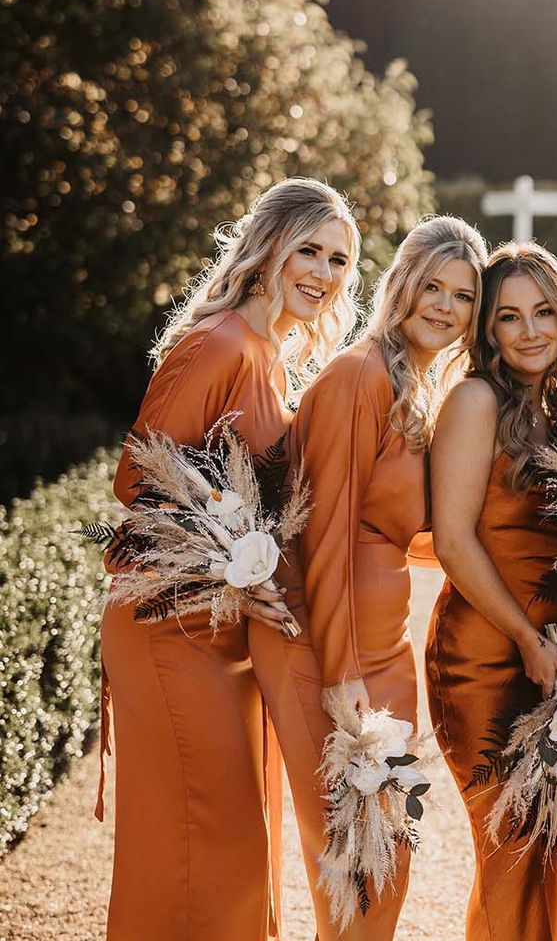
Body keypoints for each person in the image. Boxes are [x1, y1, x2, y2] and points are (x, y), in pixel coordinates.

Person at [100, 177, 361, 941]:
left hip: (226, 633)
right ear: (267, 247)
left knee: (232, 840)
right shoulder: (217, 344)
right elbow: (139, 478)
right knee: (204, 841)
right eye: (309, 249)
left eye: (340, 260)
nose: (323, 271)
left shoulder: (269, 356)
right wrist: (229, 568)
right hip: (168, 629)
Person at [251, 214, 487, 939]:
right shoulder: (358, 375)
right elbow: (325, 531)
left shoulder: (411, 384)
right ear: (401, 284)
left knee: (384, 860)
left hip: (386, 654)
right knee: (355, 870)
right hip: (328, 655)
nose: (445, 306)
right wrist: (341, 670)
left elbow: (388, 529)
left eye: (464, 296)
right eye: (433, 286)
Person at [426, 241, 557, 941]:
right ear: (487, 331)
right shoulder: (474, 401)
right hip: (487, 657)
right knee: (512, 846)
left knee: (547, 852)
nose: (530, 332)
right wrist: (526, 638)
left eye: (544, 313)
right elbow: (453, 540)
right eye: (508, 317)